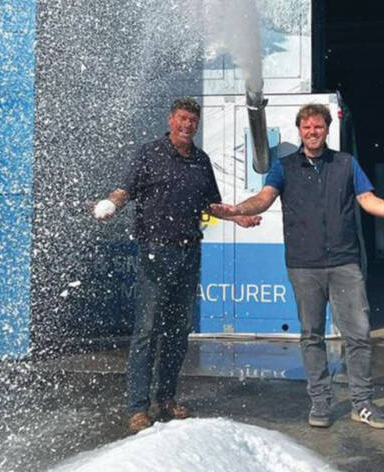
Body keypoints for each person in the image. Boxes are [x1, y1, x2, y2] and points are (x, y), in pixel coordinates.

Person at [211, 103, 384, 429]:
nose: (312, 132)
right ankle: (320, 404)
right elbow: (264, 198)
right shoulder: (284, 167)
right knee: (311, 336)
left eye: (318, 127)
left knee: (358, 335)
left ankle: (362, 403)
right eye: (306, 127)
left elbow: (368, 200)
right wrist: (236, 210)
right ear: (299, 131)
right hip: (304, 265)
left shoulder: (346, 164)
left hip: (345, 262)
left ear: (327, 129)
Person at [93, 97, 261, 433]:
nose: (187, 125)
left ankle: (165, 398)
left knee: (177, 331)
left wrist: (239, 217)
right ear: (171, 120)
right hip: (155, 252)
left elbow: (210, 204)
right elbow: (125, 190)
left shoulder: (201, 160)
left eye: (193, 121)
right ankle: (137, 408)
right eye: (182, 119)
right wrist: (111, 203)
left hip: (188, 253)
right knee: (147, 331)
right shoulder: (148, 154)